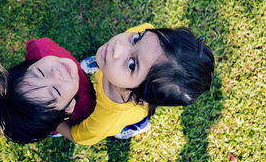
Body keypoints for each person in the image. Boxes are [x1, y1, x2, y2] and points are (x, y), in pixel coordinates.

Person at [56, 23, 215, 145]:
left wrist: (53, 120)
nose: (117, 47)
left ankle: (138, 125)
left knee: (135, 117)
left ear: (138, 98)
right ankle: (101, 64)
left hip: (129, 112)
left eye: (132, 64)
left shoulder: (106, 119)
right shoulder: (147, 35)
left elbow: (77, 135)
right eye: (136, 39)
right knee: (111, 61)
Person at [0, 38, 96, 143]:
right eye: (56, 90)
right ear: (69, 107)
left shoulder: (40, 48)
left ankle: (81, 70)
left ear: (28, 67)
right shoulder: (86, 106)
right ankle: (55, 129)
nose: (56, 74)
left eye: (40, 72)